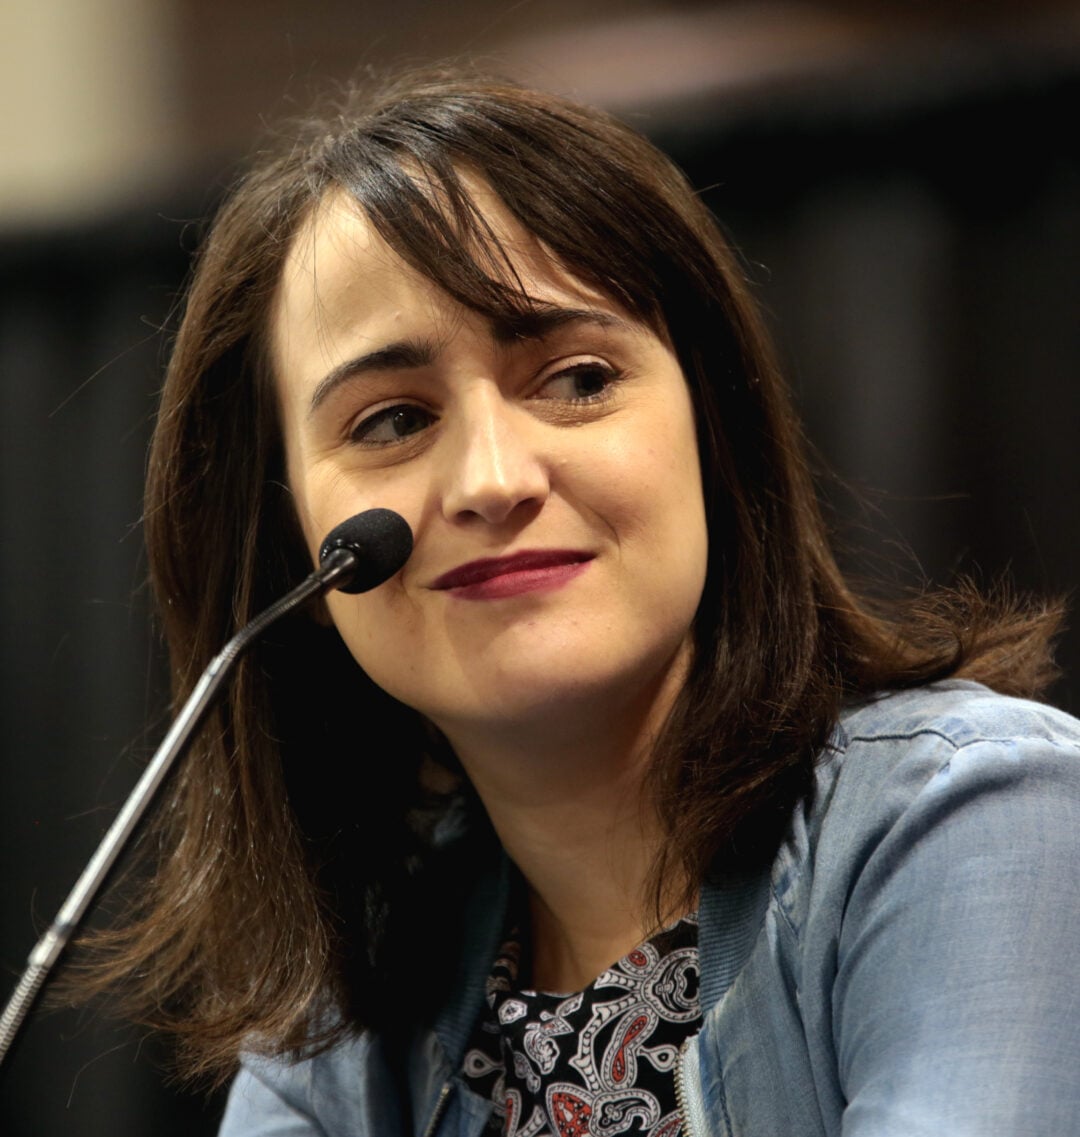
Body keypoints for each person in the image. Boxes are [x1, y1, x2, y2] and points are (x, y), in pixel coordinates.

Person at [75, 68, 1080, 1135]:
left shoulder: (976, 824)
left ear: (712, 439)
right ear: (293, 561)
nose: (493, 479)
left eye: (579, 378)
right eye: (391, 421)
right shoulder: (350, 1019)